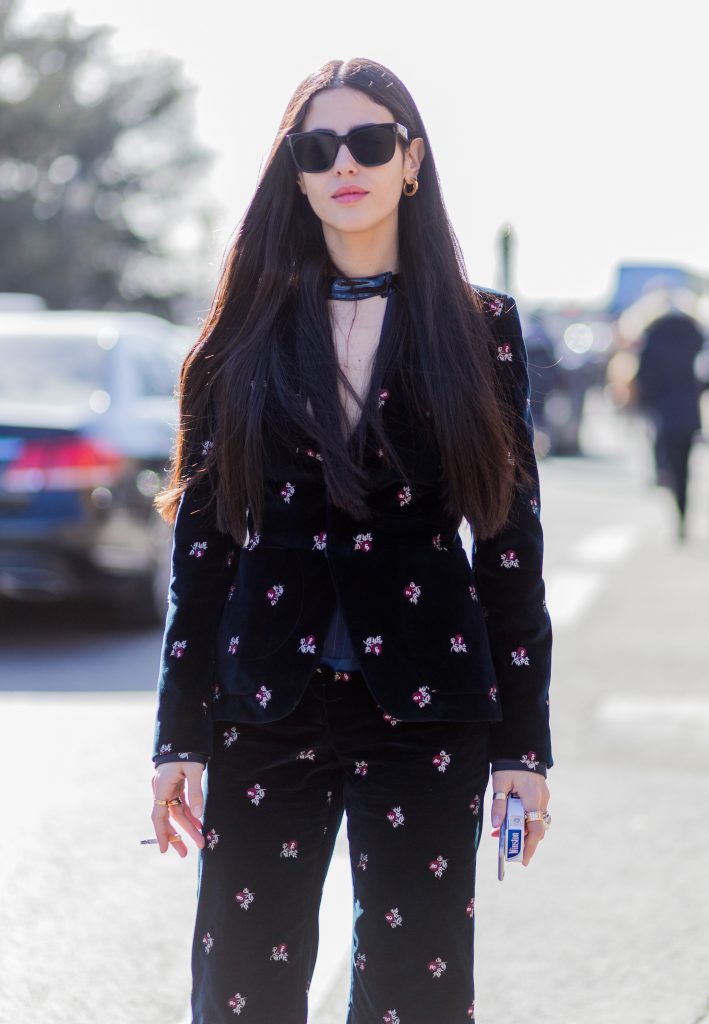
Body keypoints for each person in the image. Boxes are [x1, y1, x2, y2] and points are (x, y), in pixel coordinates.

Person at [149, 57, 553, 1024]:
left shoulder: (479, 328)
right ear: (292, 172)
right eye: (316, 147)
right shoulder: (238, 332)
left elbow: (507, 543)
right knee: (240, 994)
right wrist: (178, 734)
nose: (345, 164)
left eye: (370, 142)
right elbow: (202, 550)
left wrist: (523, 752)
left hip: (428, 701)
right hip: (264, 700)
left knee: (416, 995)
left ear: (409, 160)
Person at [635, 303, 705, 540]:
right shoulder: (695, 335)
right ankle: (682, 514)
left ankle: (677, 511)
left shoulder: (653, 336)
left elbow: (644, 377)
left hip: (664, 412)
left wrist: (647, 403)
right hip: (688, 411)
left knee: (671, 465)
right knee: (684, 468)